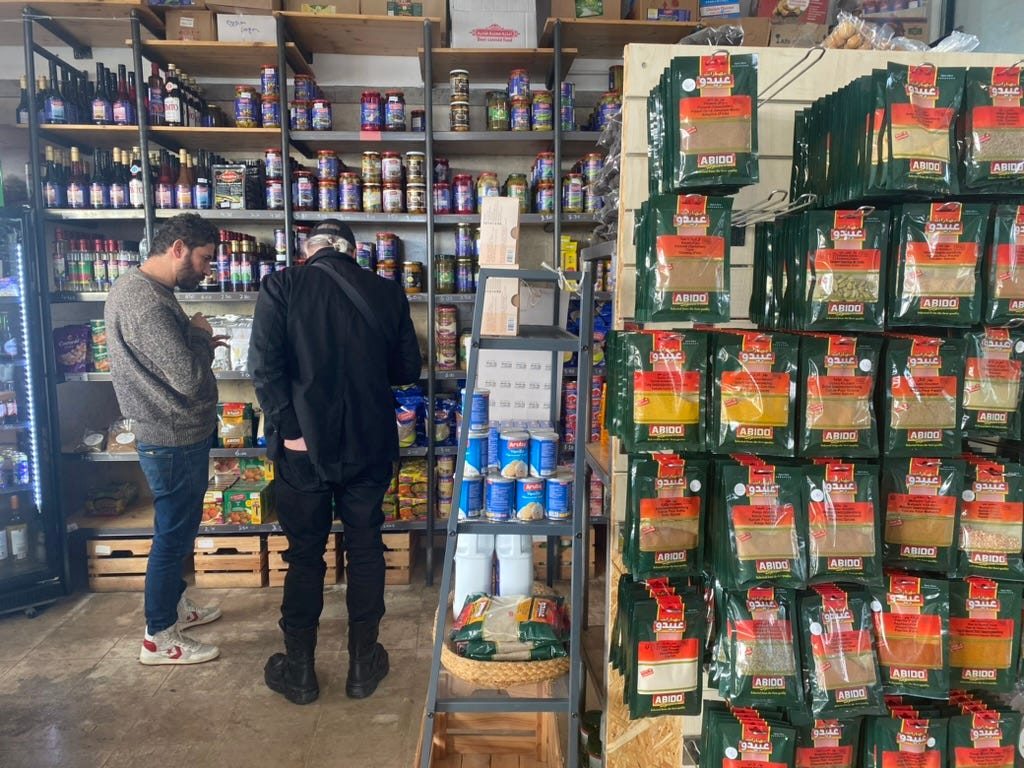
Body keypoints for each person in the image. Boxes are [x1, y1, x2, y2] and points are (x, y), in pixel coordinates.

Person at [249, 219, 421, 704]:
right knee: (366, 549)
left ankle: (299, 671)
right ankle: (363, 666)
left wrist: (292, 431)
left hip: (304, 448)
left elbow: (264, 369)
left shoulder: (281, 285)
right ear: (352, 252)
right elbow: (407, 370)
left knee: (304, 555)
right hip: (370, 443)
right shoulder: (387, 294)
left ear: (309, 251)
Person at [105, 213, 225, 666]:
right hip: (170, 435)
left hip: (173, 430)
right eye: (204, 258)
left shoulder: (146, 289)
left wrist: (194, 342)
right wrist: (197, 336)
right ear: (177, 248)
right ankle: (159, 637)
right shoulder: (147, 303)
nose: (208, 268)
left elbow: (169, 366)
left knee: (179, 527)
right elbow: (189, 379)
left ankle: (174, 608)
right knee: (172, 536)